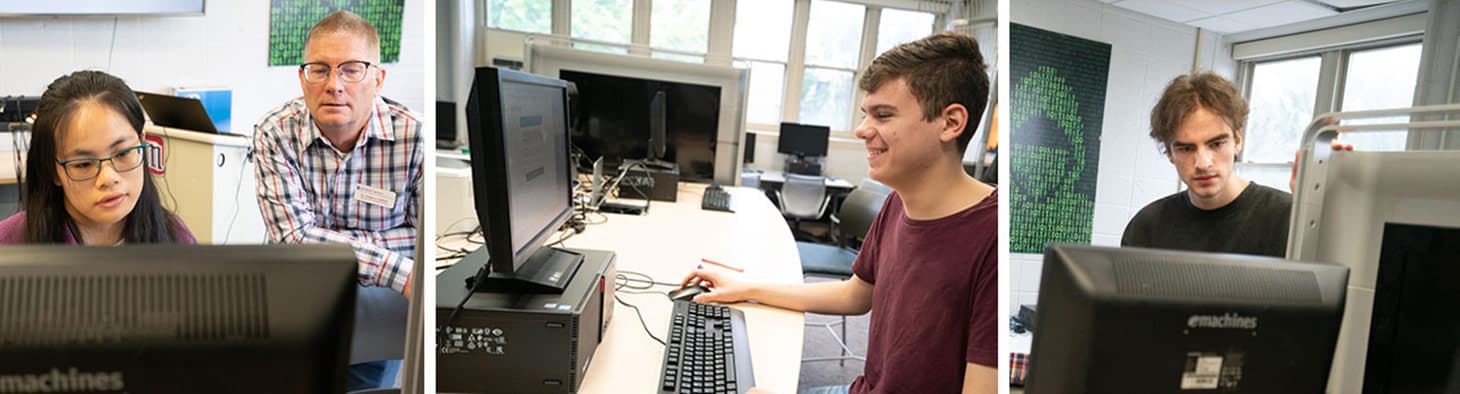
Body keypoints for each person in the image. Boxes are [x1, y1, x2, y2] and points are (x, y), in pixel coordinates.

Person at [681, 32, 997, 394]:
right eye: (866, 115)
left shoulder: (991, 237)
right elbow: (855, 295)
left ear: (950, 123)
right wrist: (746, 288)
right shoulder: (899, 202)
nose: (862, 130)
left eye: (883, 115)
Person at [251, 10, 422, 390]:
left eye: (351, 69)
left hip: (383, 312)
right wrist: (400, 267)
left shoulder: (414, 137)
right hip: (299, 310)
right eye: (320, 69)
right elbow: (293, 240)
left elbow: (425, 240)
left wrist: (324, 240)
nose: (334, 84)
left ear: (378, 78)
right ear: (302, 77)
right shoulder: (275, 133)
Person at [0, 70, 195, 245]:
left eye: (123, 153)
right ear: (53, 170)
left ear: (142, 143)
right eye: (84, 164)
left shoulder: (175, 238)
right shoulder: (9, 246)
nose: (108, 178)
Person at [1121, 72, 1295, 257]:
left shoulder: (1287, 219)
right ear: (1169, 152)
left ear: (1237, 140)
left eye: (1216, 144)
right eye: (1186, 149)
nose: (1203, 163)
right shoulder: (1147, 228)